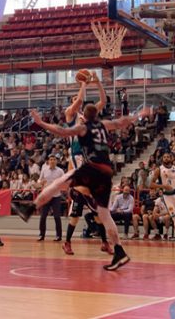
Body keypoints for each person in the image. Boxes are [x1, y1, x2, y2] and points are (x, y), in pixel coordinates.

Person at [14, 104, 152, 271]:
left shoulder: (83, 127)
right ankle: (119, 250)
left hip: (92, 167)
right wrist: (139, 114)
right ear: (96, 116)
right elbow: (121, 122)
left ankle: (30, 207)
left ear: (85, 117)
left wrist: (41, 123)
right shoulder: (103, 125)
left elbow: (62, 131)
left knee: (60, 181)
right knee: (104, 214)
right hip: (107, 171)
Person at [62, 73, 107, 255]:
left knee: (95, 210)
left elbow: (102, 101)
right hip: (78, 157)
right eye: (74, 100)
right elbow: (80, 99)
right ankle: (67, 242)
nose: (77, 101)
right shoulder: (70, 115)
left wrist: (98, 83)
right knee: (78, 211)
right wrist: (83, 84)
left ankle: (104, 242)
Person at [37, 155, 65, 241]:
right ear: (48, 161)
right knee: (43, 216)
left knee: (57, 216)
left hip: (56, 196)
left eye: (54, 160)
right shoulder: (44, 170)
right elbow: (39, 180)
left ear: (56, 161)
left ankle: (59, 236)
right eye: (51, 159)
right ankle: (42, 235)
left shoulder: (60, 171)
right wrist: (41, 182)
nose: (52, 161)